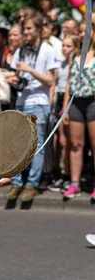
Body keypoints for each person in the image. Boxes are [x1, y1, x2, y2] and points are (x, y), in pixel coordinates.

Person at [6, 13, 59, 202]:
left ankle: (32, 184)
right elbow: (14, 75)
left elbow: (51, 80)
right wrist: (12, 80)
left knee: (37, 145)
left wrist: (30, 71)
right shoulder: (21, 51)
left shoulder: (47, 50)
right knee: (18, 145)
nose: (25, 32)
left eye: (29, 29)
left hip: (39, 102)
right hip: (21, 101)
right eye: (24, 29)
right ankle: (17, 182)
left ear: (38, 30)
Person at [62, 23, 95, 201]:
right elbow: (69, 81)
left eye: (84, 30)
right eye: (80, 31)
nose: (81, 34)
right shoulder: (76, 54)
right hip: (76, 102)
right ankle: (74, 183)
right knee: (75, 145)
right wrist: (65, 106)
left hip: (92, 101)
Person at [47, 35, 80, 192]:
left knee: (68, 142)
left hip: (71, 101)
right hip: (60, 100)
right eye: (64, 46)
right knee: (60, 142)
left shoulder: (76, 63)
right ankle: (60, 174)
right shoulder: (60, 64)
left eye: (69, 46)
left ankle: (69, 175)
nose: (65, 49)